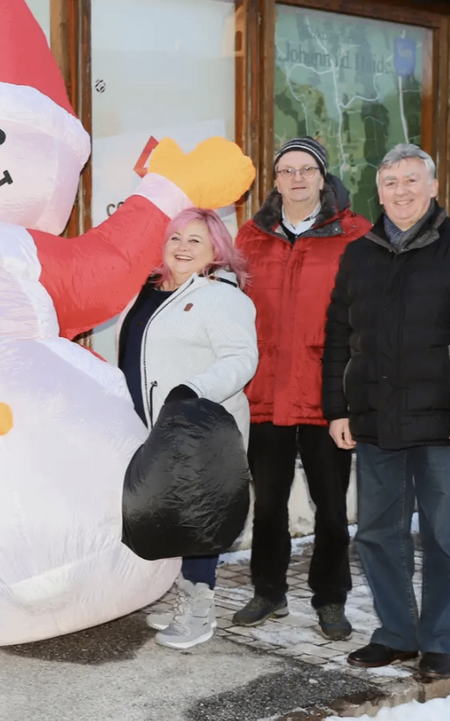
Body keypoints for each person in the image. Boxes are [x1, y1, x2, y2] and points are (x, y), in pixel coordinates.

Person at [323, 144, 450, 681]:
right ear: (379, 191)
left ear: (433, 187)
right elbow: (339, 334)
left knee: (440, 536)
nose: (401, 191)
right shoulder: (359, 253)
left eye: (412, 180)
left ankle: (438, 642)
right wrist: (338, 408)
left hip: (446, 421)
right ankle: (395, 634)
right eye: (390, 182)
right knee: (377, 532)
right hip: (375, 419)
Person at [230, 137, 371, 640]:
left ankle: (331, 599)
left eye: (305, 169)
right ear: (274, 180)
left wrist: (357, 394)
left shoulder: (356, 235)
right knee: (267, 504)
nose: (296, 179)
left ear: (322, 175)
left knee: (331, 507)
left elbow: (368, 318)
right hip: (264, 392)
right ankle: (268, 593)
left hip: (327, 396)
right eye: (286, 170)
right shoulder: (249, 237)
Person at [117, 208, 258, 649]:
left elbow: (241, 359)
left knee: (198, 515)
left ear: (216, 249)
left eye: (195, 240)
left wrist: (191, 390)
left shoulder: (223, 297)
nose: (182, 247)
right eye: (175, 237)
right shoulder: (149, 292)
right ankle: (182, 597)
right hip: (151, 426)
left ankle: (199, 611)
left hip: (199, 427)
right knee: (167, 512)